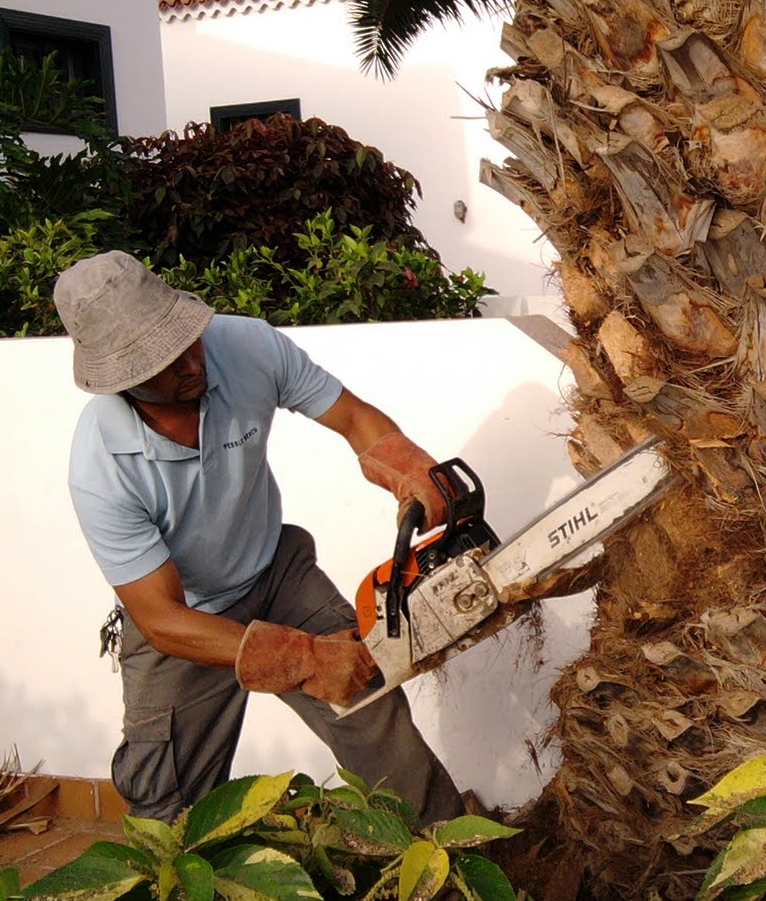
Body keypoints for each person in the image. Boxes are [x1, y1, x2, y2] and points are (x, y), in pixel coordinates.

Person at [53, 250, 464, 824]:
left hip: (276, 571)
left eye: (186, 340)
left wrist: (404, 463)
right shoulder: (101, 467)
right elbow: (161, 618)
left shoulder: (246, 346)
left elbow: (352, 419)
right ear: (121, 380)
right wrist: (304, 658)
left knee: (368, 701)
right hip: (190, 621)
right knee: (165, 805)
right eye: (163, 364)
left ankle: (451, 859)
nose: (190, 363)